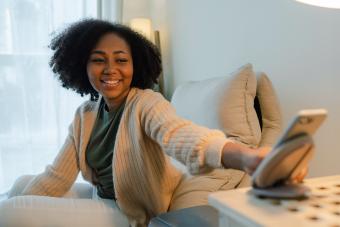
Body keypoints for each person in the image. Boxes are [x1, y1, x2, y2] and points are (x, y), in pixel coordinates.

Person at [0, 19, 298, 227]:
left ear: (136, 64)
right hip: (100, 196)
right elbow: (57, 176)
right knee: (20, 185)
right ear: (83, 65)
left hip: (129, 212)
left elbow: (183, 136)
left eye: (121, 60)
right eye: (98, 59)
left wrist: (244, 155)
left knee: (12, 212)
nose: (110, 69)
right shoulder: (85, 114)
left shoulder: (146, 103)